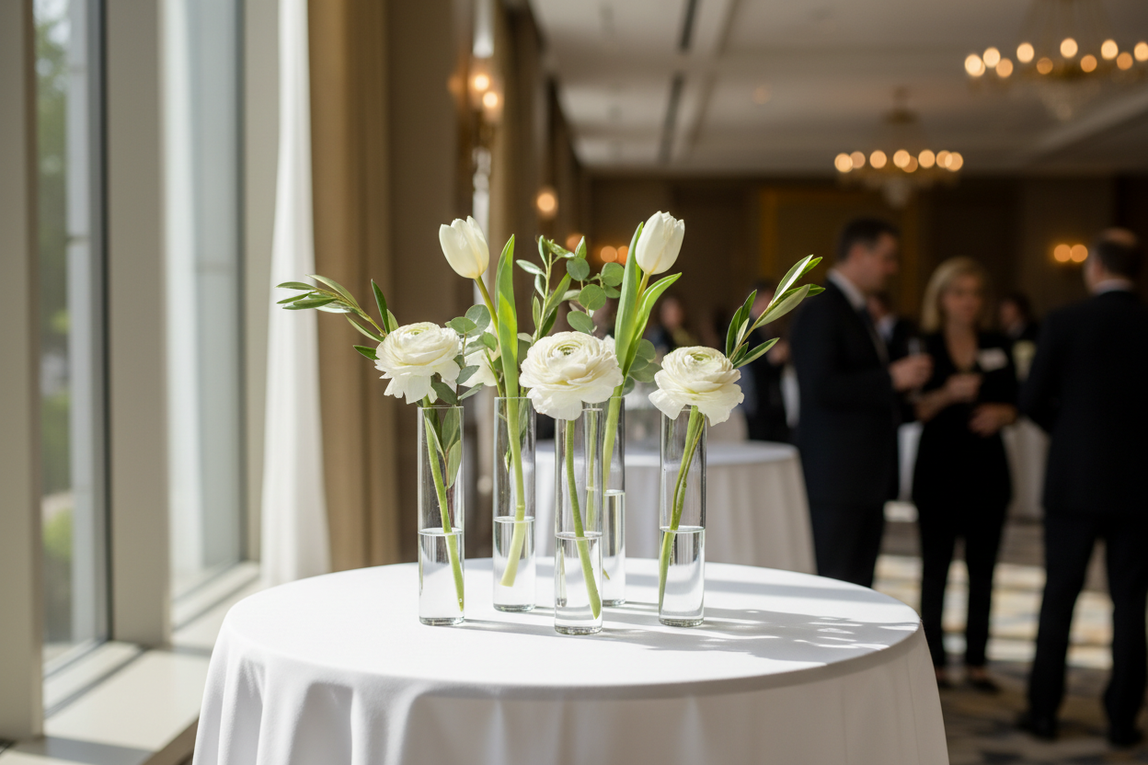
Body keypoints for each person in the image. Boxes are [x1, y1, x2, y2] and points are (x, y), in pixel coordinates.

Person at [1018, 230, 1148, 747]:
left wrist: (1069, 434)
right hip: (1140, 488)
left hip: (1073, 483)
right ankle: (1122, 721)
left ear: (1094, 266)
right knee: (1130, 605)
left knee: (1060, 597)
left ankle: (1044, 712)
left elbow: (1031, 400)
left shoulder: (1065, 322)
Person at [790, 218, 932, 587]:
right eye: (886, 257)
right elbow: (821, 387)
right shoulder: (822, 308)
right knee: (836, 585)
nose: (893, 268)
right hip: (837, 480)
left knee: (858, 583)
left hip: (860, 477)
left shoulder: (856, 310)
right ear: (858, 253)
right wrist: (892, 378)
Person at [911, 258, 1017, 692]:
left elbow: (1019, 400)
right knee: (935, 568)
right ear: (941, 297)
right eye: (959, 293)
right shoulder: (924, 343)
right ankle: (933, 659)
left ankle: (977, 661)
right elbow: (911, 408)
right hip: (938, 468)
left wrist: (1003, 414)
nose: (968, 302)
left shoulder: (996, 342)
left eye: (975, 293)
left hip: (987, 469)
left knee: (983, 570)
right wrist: (946, 394)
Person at [740, 280, 792, 443]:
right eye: (771, 299)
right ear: (760, 299)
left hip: (771, 402)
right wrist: (773, 356)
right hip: (757, 405)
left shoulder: (767, 327)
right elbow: (754, 360)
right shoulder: (746, 328)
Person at [868, 291, 915, 361]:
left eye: (871, 303)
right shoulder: (870, 328)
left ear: (881, 303)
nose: (868, 307)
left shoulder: (904, 325)